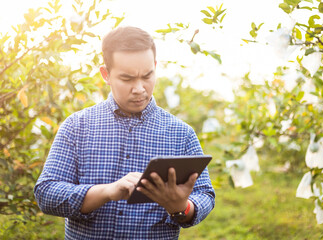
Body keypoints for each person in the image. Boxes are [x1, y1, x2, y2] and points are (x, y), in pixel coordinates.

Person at [34, 26, 215, 240]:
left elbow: (205, 195)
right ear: (106, 74)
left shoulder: (181, 133)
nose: (139, 88)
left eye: (147, 76)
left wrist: (182, 207)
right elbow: (46, 194)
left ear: (155, 67)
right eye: (127, 79)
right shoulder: (77, 126)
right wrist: (107, 192)